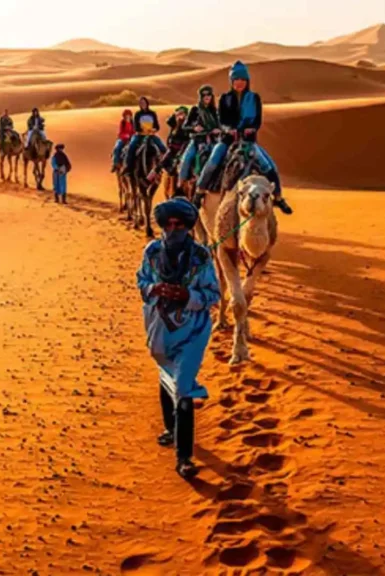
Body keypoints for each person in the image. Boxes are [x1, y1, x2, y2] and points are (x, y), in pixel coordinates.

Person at [136, 197, 220, 479]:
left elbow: (214, 295)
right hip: (159, 328)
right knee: (165, 373)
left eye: (180, 224)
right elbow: (141, 282)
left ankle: (184, 458)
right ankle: (170, 429)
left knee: (182, 385)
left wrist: (188, 296)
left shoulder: (201, 256)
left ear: (188, 226)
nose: (174, 229)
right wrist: (155, 288)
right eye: (169, 224)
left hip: (193, 331)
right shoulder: (152, 252)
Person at [195, 61, 292, 215]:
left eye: (242, 80)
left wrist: (252, 128)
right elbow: (222, 120)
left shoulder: (254, 98)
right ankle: (199, 192)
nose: (239, 83)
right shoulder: (225, 99)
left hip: (248, 141)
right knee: (213, 162)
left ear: (247, 81)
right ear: (231, 81)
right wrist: (229, 130)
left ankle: (278, 197)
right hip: (228, 140)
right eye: (236, 80)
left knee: (270, 167)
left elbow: (258, 120)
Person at [179, 85, 219, 186]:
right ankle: (180, 186)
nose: (207, 97)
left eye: (209, 94)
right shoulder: (195, 110)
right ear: (200, 96)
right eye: (204, 95)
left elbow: (220, 125)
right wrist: (194, 128)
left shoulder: (214, 111)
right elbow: (185, 126)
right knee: (187, 159)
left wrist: (218, 130)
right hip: (197, 140)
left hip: (213, 141)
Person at [124, 96, 167, 174]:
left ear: (147, 103)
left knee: (162, 147)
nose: (143, 104)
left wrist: (154, 129)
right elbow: (135, 127)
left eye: (144, 102)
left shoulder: (152, 113)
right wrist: (142, 130)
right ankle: (128, 167)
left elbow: (157, 126)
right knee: (131, 147)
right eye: (141, 103)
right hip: (140, 136)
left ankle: (166, 165)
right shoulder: (137, 114)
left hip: (151, 135)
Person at [149, 106, 191, 182]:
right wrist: (175, 115)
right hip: (173, 148)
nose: (181, 116)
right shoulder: (174, 124)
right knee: (162, 163)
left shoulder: (188, 125)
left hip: (184, 149)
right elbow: (169, 121)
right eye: (179, 113)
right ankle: (149, 179)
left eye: (183, 113)